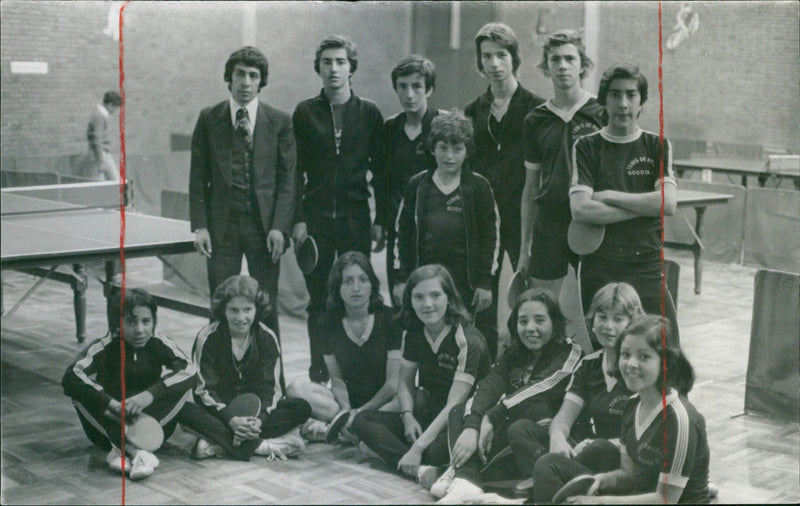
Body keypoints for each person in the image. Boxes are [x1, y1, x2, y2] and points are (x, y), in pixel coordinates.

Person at [532, 315, 711, 504]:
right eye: (625, 355)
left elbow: (665, 499)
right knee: (547, 464)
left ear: (665, 362)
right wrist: (603, 480)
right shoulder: (633, 405)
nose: (631, 364)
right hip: (639, 497)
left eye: (643, 356)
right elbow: (629, 475)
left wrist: (601, 502)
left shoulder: (680, 419)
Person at [292, 35, 385, 383]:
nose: (334, 68)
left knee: (356, 296)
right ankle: (319, 372)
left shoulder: (369, 113)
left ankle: (354, 373)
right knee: (318, 301)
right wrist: (298, 219)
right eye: (327, 62)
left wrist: (381, 221)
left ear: (352, 68)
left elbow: (381, 171)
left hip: (355, 221)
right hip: (314, 223)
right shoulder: (304, 112)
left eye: (341, 62)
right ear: (319, 68)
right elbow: (294, 171)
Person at [433, 288, 583, 503]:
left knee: (534, 409)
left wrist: (491, 417)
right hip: (502, 435)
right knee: (459, 411)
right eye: (523, 321)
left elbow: (542, 385)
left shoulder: (571, 352)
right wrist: (473, 426)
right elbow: (489, 385)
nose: (530, 328)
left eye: (540, 320)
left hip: (533, 439)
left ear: (554, 322)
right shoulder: (513, 353)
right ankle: (466, 479)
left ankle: (460, 474)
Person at [189, 46, 296, 339]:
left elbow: (289, 181)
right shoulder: (209, 118)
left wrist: (279, 227)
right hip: (221, 226)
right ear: (229, 77)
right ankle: (219, 379)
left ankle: (272, 380)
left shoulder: (280, 121)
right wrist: (200, 225)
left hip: (264, 228)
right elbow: (197, 177)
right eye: (240, 74)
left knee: (265, 304)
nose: (246, 82)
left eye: (253, 75)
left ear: (261, 81)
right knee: (222, 302)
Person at [569, 63, 680, 343]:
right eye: (615, 95)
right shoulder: (586, 146)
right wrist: (643, 208)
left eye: (631, 95)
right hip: (600, 264)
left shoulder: (658, 145)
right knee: (605, 348)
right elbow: (581, 209)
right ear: (604, 101)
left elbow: (667, 204)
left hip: (646, 264)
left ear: (642, 101)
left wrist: (608, 195)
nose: (623, 104)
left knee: (657, 349)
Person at [353, 264, 491, 479]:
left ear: (449, 298)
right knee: (362, 420)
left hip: (461, 418)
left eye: (435, 295)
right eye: (418, 297)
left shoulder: (468, 340)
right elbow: (405, 382)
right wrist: (407, 416)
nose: (427, 304)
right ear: (410, 301)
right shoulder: (415, 332)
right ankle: (421, 470)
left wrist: (418, 447)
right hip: (430, 412)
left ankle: (405, 458)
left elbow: (455, 404)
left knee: (433, 452)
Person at [508, 282, 644, 498]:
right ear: (592, 321)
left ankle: (549, 480)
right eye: (602, 317)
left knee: (598, 448)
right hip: (585, 454)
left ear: (632, 324)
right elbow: (564, 417)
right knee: (521, 429)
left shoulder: (638, 369)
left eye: (618, 319)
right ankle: (559, 480)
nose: (608, 326)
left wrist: (598, 444)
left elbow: (646, 436)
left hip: (619, 460)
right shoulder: (589, 365)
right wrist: (558, 438)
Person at [464, 22, 545, 352]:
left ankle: (530, 362)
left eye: (501, 55)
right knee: (482, 295)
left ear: (514, 58)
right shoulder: (472, 112)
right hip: (485, 219)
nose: (494, 64)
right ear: (479, 62)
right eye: (487, 56)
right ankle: (482, 371)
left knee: (530, 293)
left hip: (524, 214)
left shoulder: (537, 109)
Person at [394, 110, 501, 358]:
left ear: (467, 150)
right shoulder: (418, 185)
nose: (449, 156)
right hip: (427, 281)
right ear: (432, 149)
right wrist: (402, 278)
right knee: (429, 337)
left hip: (466, 281)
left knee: (465, 339)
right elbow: (403, 234)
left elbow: (490, 236)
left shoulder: (478, 186)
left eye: (457, 148)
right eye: (442, 148)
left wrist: (485, 281)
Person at [62, 289, 196, 479]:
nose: (140, 330)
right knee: (77, 390)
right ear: (117, 324)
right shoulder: (105, 345)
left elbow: (190, 370)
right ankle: (135, 453)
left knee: (182, 383)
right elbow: (71, 376)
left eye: (146, 321)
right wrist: (113, 405)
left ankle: (123, 452)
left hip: (152, 428)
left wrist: (149, 395)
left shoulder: (158, 343)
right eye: (131, 322)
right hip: (108, 428)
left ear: (154, 322)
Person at [519, 30, 604, 296]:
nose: (563, 66)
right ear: (547, 67)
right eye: (555, 60)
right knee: (549, 304)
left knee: (591, 304)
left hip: (591, 222)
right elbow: (531, 189)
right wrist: (524, 249)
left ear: (583, 66)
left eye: (570, 58)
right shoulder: (536, 119)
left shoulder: (601, 112)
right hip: (550, 226)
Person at [286, 251, 402, 442]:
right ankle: (351, 427)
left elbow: (392, 384)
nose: (356, 288)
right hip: (346, 403)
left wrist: (362, 411)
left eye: (362, 280)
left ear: (372, 284)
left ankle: (344, 428)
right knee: (295, 389)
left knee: (412, 399)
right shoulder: (326, 323)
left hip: (384, 403)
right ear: (337, 287)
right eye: (348, 281)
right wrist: (347, 411)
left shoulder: (389, 319)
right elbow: (337, 379)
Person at [192, 275, 310, 461]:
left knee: (301, 407)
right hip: (220, 412)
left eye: (247, 309)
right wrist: (231, 419)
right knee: (186, 412)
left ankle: (220, 444)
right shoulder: (207, 337)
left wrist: (259, 419)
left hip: (254, 413)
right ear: (223, 310)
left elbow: (272, 389)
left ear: (257, 309)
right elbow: (204, 389)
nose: (241, 318)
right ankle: (262, 446)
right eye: (234, 310)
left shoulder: (267, 337)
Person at [384, 55, 440, 303]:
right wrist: (381, 222)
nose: (409, 94)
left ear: (429, 89)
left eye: (416, 87)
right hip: (399, 230)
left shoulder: (442, 126)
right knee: (401, 299)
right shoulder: (389, 130)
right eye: (402, 87)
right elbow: (382, 181)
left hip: (437, 229)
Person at [85, 90, 122, 181]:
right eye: (115, 108)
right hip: (100, 153)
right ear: (110, 105)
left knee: (104, 181)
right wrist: (101, 160)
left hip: (100, 153)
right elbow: (97, 139)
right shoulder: (99, 116)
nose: (115, 111)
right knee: (112, 181)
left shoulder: (99, 113)